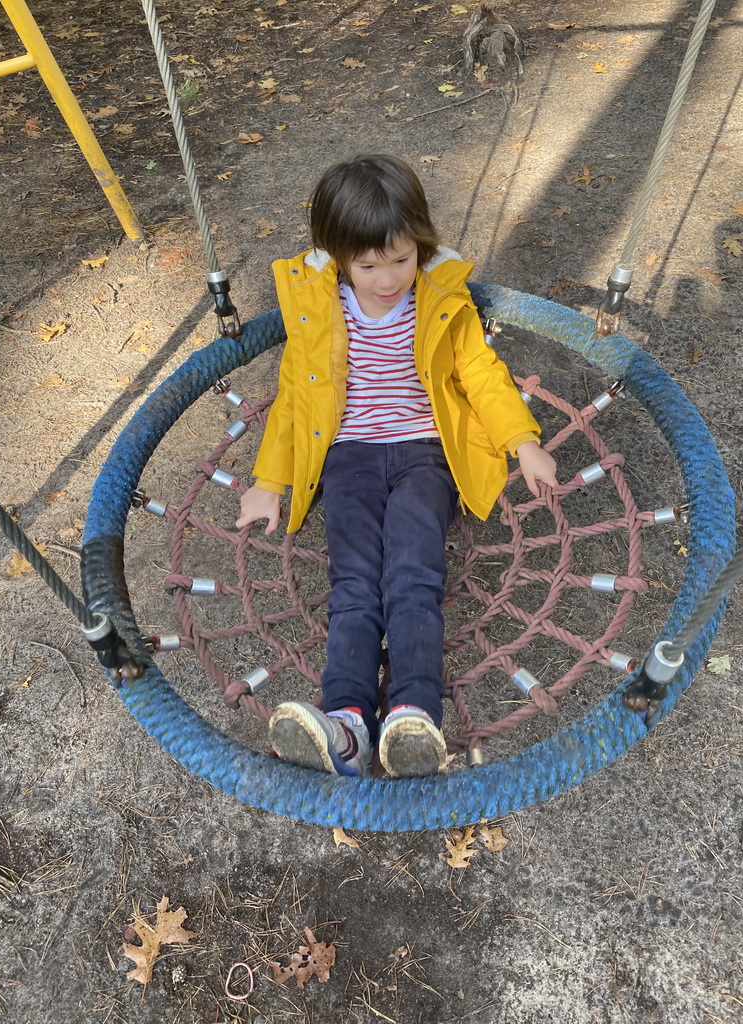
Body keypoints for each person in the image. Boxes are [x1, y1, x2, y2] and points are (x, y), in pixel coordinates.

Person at [236, 154, 558, 779]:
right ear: (336, 257)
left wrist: (522, 441)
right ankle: (348, 724)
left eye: (402, 260)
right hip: (348, 457)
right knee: (354, 583)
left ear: (421, 246)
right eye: (368, 265)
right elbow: (295, 400)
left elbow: (481, 376)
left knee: (412, 576)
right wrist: (268, 481)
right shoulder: (317, 308)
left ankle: (415, 714)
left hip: (423, 456)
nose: (388, 279)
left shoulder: (439, 297)